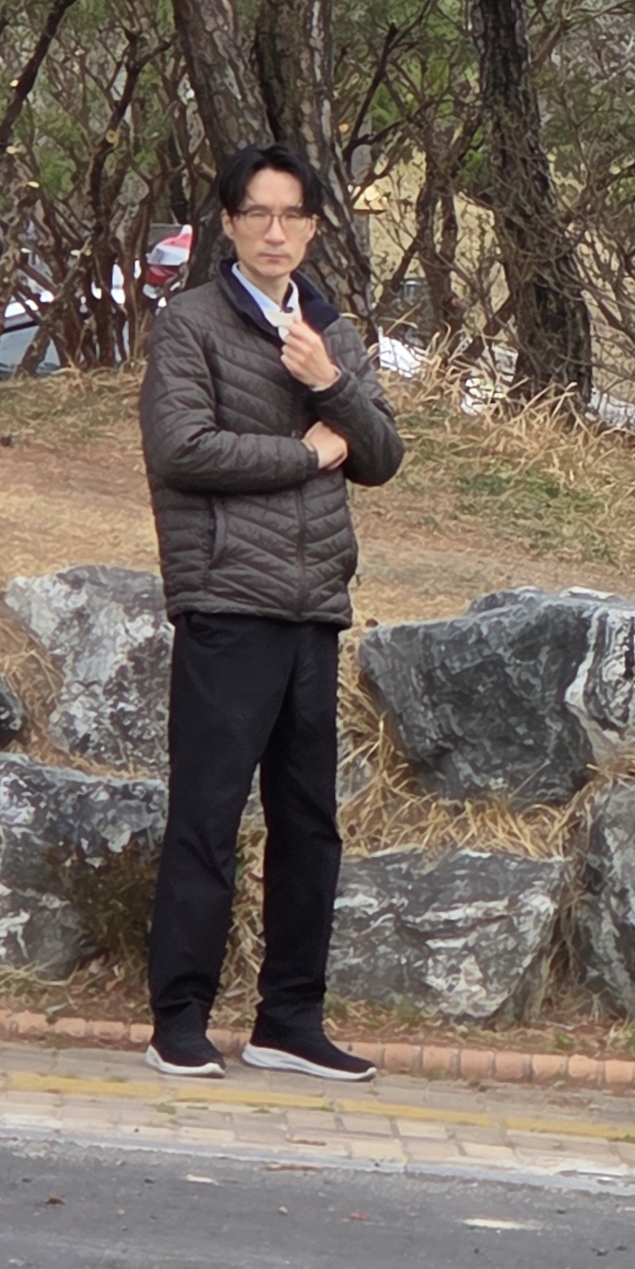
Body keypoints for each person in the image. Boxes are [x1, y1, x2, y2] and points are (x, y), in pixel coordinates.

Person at [139, 144, 405, 1082]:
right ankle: (180, 1015)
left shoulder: (331, 328)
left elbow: (380, 454)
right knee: (208, 815)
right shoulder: (190, 325)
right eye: (258, 214)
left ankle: (289, 1017)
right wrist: (307, 452)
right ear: (229, 224)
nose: (276, 233)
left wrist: (329, 381)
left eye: (293, 216)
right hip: (226, 600)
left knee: (309, 822)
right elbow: (182, 450)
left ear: (317, 227)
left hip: (313, 607)